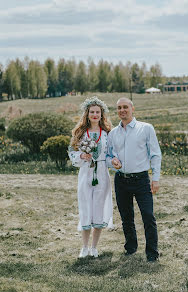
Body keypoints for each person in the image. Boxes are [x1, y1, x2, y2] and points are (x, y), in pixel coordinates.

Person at [106, 97, 162, 262]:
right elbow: (108, 155)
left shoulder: (145, 129)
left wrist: (156, 178)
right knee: (126, 217)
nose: (122, 110)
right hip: (121, 180)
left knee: (148, 216)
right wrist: (112, 162)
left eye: (125, 107)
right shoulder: (113, 133)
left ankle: (152, 253)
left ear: (132, 109)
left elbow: (155, 154)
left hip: (141, 180)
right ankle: (130, 248)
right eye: (119, 108)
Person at [68, 96, 113, 258]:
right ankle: (84, 247)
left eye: (98, 112)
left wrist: (113, 161)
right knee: (86, 207)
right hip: (86, 172)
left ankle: (94, 247)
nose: (95, 115)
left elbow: (110, 154)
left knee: (98, 208)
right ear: (87, 114)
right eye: (92, 112)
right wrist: (81, 156)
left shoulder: (108, 133)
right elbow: (72, 152)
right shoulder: (80, 133)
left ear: (102, 115)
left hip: (101, 172)